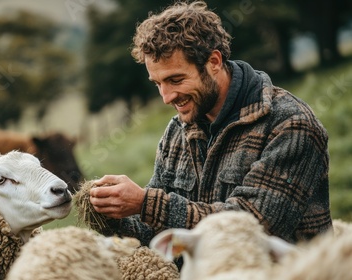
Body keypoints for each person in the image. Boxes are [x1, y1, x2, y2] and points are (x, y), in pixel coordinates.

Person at [89, 0, 332, 249]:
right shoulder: (177, 131)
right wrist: (112, 216)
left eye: (176, 79)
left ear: (214, 62)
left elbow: (253, 229)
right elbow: (157, 234)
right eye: (157, 83)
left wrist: (145, 203)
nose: (166, 97)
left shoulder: (291, 125)